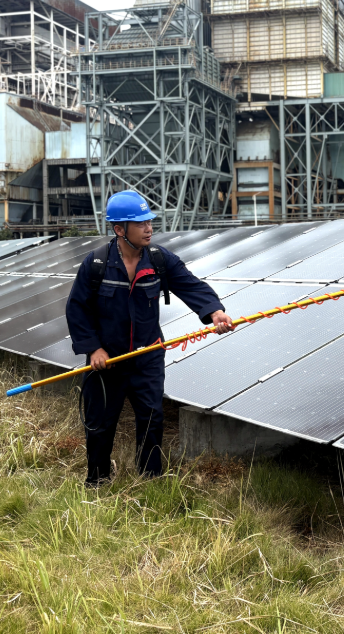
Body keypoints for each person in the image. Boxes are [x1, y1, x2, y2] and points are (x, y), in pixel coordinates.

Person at [66, 191, 233, 486]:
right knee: (100, 424)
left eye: (149, 222)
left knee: (152, 419)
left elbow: (190, 285)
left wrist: (215, 312)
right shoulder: (97, 264)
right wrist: (93, 349)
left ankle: (149, 482)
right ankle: (98, 481)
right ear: (120, 230)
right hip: (108, 361)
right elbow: (77, 309)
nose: (149, 228)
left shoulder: (159, 259)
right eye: (140, 223)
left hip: (148, 358)